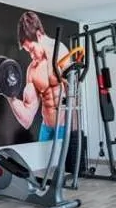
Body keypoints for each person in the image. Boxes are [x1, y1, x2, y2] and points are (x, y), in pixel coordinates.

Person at [6, 11, 71, 141]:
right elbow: (27, 119)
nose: (32, 56)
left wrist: (74, 130)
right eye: (28, 52)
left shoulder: (60, 51)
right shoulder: (32, 70)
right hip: (45, 129)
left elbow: (74, 93)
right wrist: (9, 95)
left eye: (32, 49)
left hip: (65, 127)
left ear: (39, 35)